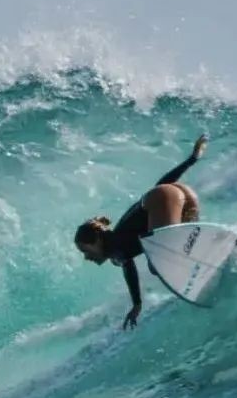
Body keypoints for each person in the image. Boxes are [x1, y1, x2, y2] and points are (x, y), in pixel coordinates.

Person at [74, 134, 208, 330]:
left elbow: (128, 267)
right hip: (180, 196)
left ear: (97, 241)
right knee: (174, 255)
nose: (87, 258)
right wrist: (191, 160)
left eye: (86, 251)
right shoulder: (120, 240)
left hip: (165, 197)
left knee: (159, 263)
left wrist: (137, 304)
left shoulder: (115, 247)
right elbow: (160, 188)